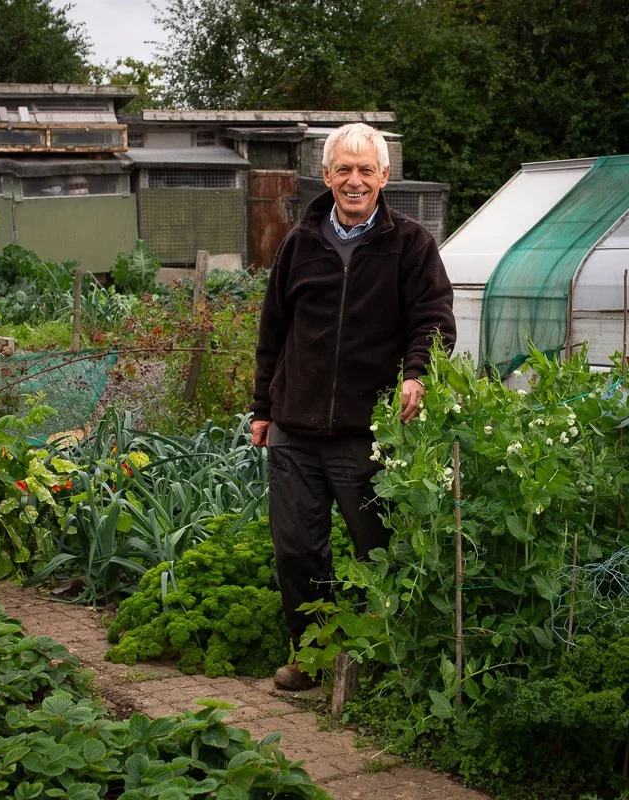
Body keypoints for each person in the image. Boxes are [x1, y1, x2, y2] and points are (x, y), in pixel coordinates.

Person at [250, 122, 456, 690]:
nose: (355, 180)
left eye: (367, 170)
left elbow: (434, 320)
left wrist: (417, 374)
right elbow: (274, 332)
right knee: (297, 550)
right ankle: (313, 656)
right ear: (326, 175)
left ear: (385, 176)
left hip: (367, 433)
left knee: (377, 550)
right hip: (294, 423)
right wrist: (261, 407)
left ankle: (379, 661)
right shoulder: (300, 243)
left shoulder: (410, 244)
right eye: (344, 169)